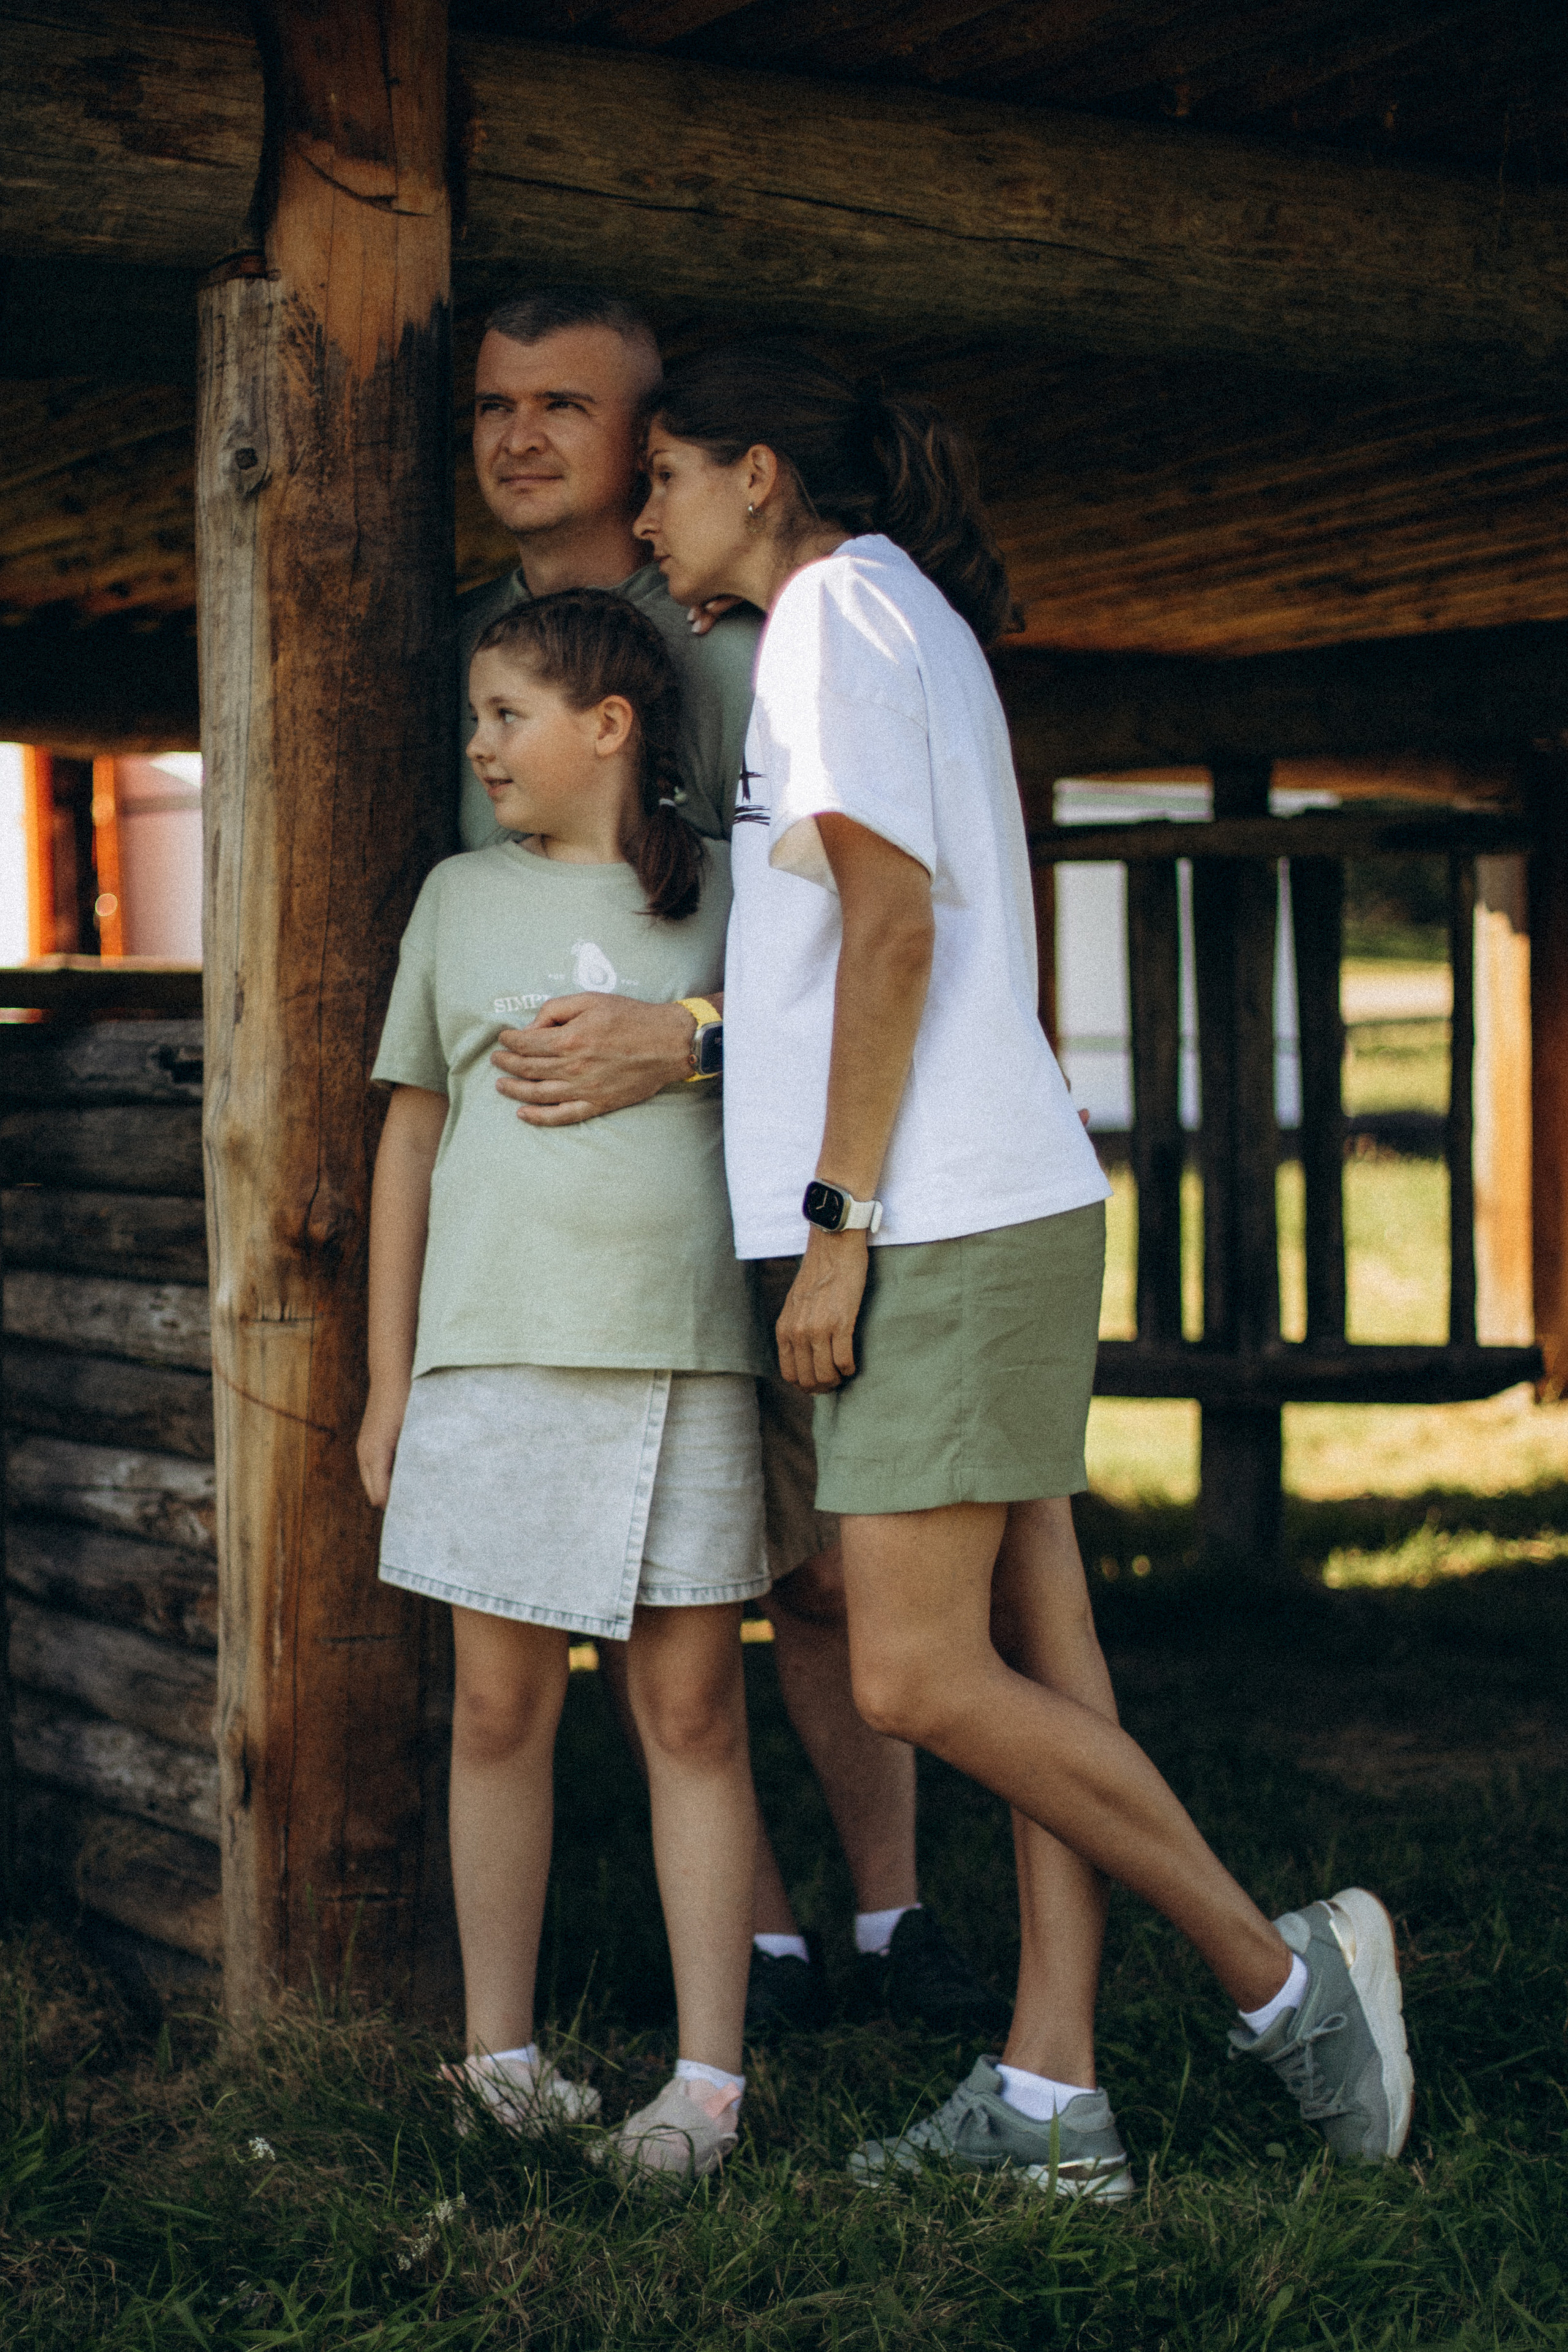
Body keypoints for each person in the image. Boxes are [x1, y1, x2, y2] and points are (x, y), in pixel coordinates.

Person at [631, 339, 1415, 2195]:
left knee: (909, 1674)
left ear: (761, 473)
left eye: (663, 473)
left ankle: (1289, 1976)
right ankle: (1056, 2099)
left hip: (936, 1215)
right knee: (1039, 1652)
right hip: (983, 1192)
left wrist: (837, 1224)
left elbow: (890, 930)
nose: (646, 513)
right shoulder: (899, 612)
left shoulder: (827, 623)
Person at [456, 284, 1005, 2040]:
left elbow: (853, 927)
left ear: (657, 456)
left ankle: (897, 1922)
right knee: (678, 1571)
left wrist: (685, 1050)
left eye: (565, 408)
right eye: (493, 407)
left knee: (829, 1568)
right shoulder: (459, 653)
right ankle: (757, 1948)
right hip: (574, 1210)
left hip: (776, 1168)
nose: (521, 437)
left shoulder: (748, 633)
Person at [358, 590, 766, 2184]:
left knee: (691, 1710)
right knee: (500, 1710)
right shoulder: (458, 898)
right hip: (492, 1356)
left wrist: (698, 1036)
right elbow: (409, 1134)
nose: (480, 747)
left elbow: (804, 1046)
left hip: (680, 1352)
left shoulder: (723, 899)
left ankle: (710, 2090)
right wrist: (395, 1379)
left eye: (506, 716)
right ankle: (499, 2060)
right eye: (474, 717)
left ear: (610, 726)